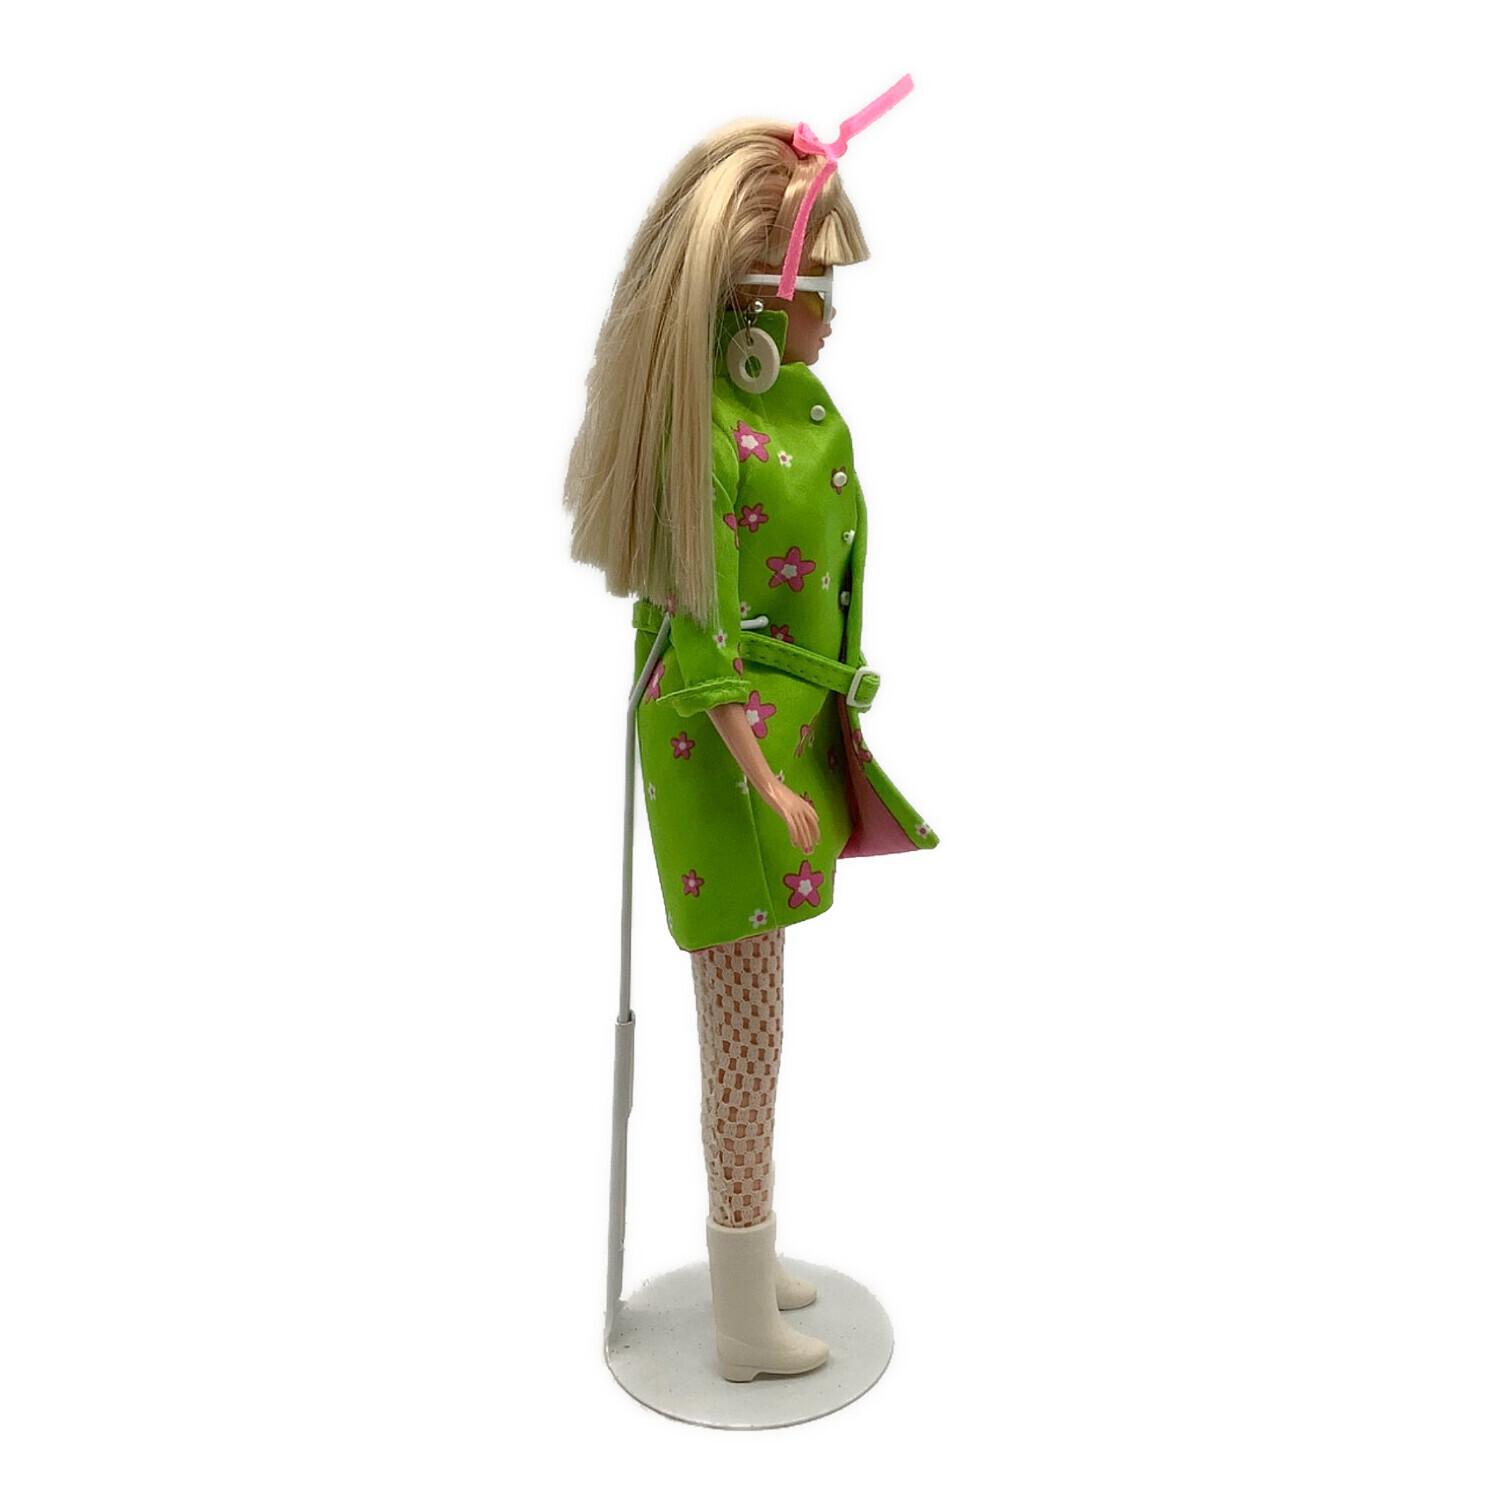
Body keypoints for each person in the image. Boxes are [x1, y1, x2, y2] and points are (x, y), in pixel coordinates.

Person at [564, 86, 937, 1383]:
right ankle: (736, 1316)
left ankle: (748, 1247)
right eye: (816, 293)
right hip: (723, 753)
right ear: (756, 314)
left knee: (758, 1027)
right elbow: (702, 626)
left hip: (783, 740)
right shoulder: (714, 441)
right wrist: (762, 779)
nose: (832, 318)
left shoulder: (788, 417)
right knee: (743, 1031)